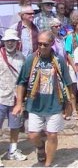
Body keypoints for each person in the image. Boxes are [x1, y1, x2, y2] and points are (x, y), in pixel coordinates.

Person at [13, 31, 73, 167]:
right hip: (35, 104)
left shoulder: (59, 60)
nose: (41, 47)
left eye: (45, 44)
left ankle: (48, 163)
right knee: (33, 135)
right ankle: (41, 148)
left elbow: (67, 82)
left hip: (54, 104)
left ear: (52, 44)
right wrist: (18, 103)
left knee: (52, 135)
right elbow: (21, 82)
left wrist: (70, 103)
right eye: (39, 44)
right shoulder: (31, 59)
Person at [0, 29, 27, 165]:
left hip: (16, 98)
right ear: (4, 42)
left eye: (12, 41)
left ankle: (13, 150)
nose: (10, 43)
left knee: (15, 126)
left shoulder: (21, 57)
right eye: (7, 41)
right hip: (1, 97)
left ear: (17, 42)